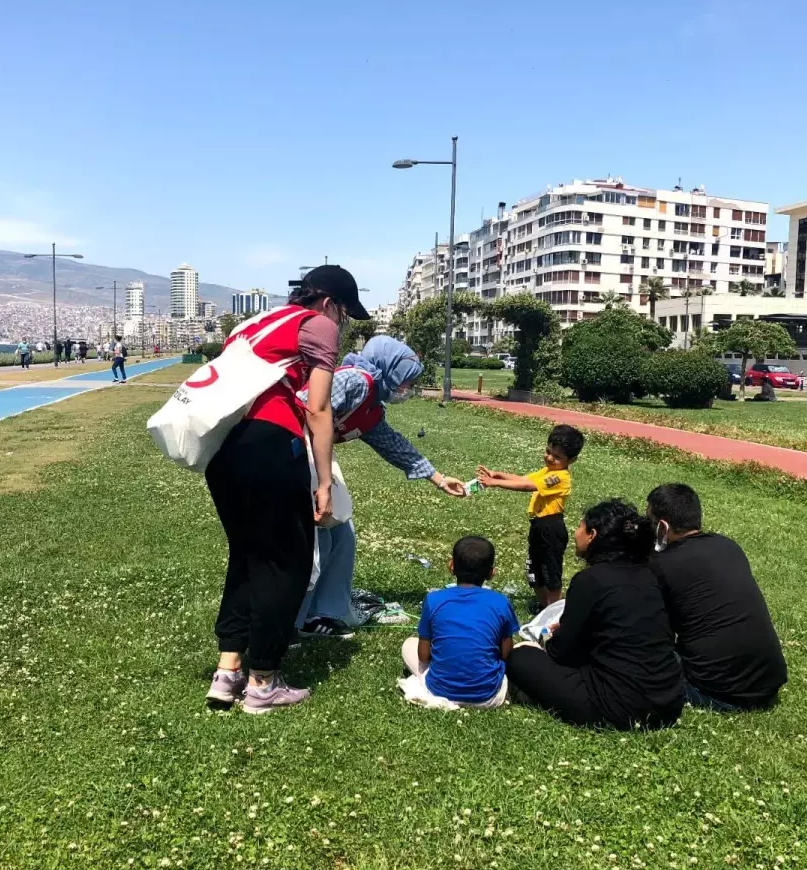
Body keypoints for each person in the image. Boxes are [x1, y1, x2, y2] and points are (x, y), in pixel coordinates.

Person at [204, 265, 369, 714]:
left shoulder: (255, 323)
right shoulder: (317, 326)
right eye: (346, 314)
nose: (343, 324)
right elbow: (317, 408)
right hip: (272, 448)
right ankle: (263, 681)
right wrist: (323, 481)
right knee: (286, 563)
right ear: (330, 303)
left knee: (248, 558)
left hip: (226, 454)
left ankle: (227, 671)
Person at [295, 336, 467, 638]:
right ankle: (290, 623)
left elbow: (393, 445)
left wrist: (438, 479)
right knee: (315, 541)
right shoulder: (354, 381)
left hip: (315, 462)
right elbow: (310, 410)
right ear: (389, 368)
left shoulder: (371, 403)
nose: (406, 389)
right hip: (294, 456)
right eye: (405, 381)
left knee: (342, 533)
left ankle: (325, 611)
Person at [505, 499, 685, 730]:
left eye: (580, 527)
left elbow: (561, 653)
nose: (576, 533)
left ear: (592, 534)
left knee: (521, 655)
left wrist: (552, 638)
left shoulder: (590, 580)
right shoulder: (649, 574)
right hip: (668, 703)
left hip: (617, 708)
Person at [646, 483, 787, 712]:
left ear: (662, 526)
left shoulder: (660, 566)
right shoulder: (728, 546)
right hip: (768, 684)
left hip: (718, 692)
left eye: (649, 521)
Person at [399, 536, 519, 709]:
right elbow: (506, 654)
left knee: (409, 644)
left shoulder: (434, 600)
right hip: (489, 697)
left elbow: (423, 656)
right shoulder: (501, 602)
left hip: (439, 690)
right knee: (527, 648)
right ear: (491, 573)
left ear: (451, 566)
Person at [476, 424, 585, 612]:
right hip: (538, 526)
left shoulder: (560, 477)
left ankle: (554, 612)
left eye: (557, 457)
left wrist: (494, 483)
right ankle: (545, 607)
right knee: (534, 569)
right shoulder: (548, 471)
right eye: (548, 451)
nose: (549, 458)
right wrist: (497, 474)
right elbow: (524, 479)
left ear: (572, 460)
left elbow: (528, 487)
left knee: (551, 572)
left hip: (551, 528)